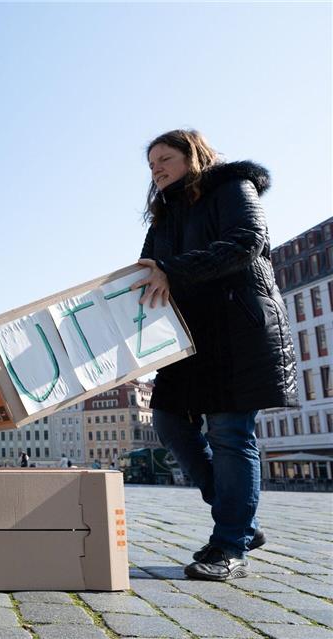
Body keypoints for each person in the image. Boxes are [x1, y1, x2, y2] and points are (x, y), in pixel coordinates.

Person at [134, 129, 297, 581]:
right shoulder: (162, 216)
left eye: (165, 158)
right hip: (185, 337)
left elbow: (248, 241)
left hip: (237, 327)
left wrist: (173, 269)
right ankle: (242, 521)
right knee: (168, 421)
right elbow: (148, 270)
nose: (157, 169)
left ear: (193, 156)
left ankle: (229, 547)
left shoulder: (232, 186)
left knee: (229, 433)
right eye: (151, 164)